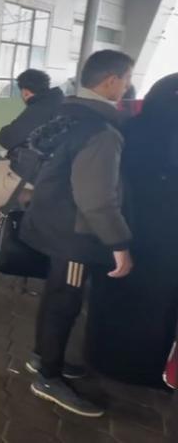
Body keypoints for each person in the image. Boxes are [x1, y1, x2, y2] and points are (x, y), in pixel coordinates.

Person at [20, 50, 135, 417]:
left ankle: (42, 358)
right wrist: (119, 244)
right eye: (127, 78)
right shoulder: (101, 130)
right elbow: (96, 198)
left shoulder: (67, 113)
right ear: (112, 81)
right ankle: (48, 378)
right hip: (73, 233)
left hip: (48, 220)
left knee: (55, 295)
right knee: (64, 303)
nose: (128, 86)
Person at [85, 72, 178, 388]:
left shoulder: (127, 128)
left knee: (112, 298)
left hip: (120, 232)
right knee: (154, 308)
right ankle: (144, 369)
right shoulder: (169, 137)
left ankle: (100, 356)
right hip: (164, 242)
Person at [0, 69, 64, 274]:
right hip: (48, 171)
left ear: (25, 91)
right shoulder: (58, 102)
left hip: (30, 173)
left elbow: (7, 138)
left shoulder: (38, 109)